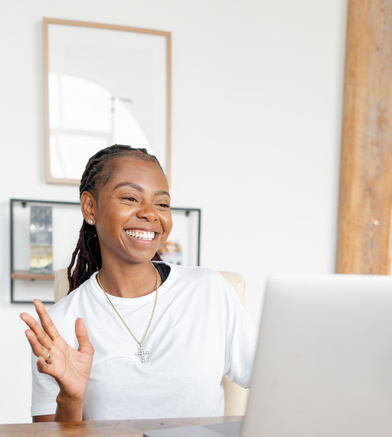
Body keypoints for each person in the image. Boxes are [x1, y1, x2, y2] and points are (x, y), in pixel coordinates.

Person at [20, 144, 256, 422]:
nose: (150, 214)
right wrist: (70, 399)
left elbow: (278, 383)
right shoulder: (61, 325)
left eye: (162, 203)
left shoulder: (210, 291)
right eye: (131, 198)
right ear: (89, 207)